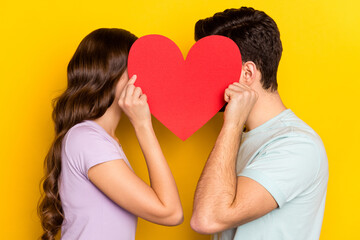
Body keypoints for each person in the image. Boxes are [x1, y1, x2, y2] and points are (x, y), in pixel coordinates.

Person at [190, 7, 328, 240]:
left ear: (247, 73)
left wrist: (232, 124)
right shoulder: (240, 139)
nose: (202, 80)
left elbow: (207, 218)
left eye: (211, 68)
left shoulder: (297, 145)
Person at [38, 28, 183, 240]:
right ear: (111, 74)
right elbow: (170, 212)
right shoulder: (87, 139)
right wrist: (143, 124)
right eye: (137, 66)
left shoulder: (102, 139)